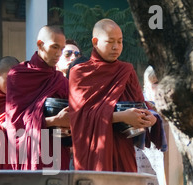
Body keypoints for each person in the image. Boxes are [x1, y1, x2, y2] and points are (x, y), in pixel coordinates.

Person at [68, 19, 158, 172]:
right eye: (110, 42)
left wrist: (151, 117)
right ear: (95, 42)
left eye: (120, 41)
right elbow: (80, 116)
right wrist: (121, 116)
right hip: (92, 152)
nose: (116, 47)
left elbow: (140, 104)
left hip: (123, 149)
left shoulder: (126, 71)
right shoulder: (80, 72)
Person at [5, 25, 71, 171]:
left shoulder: (61, 81)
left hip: (57, 154)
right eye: (54, 47)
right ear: (40, 44)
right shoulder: (18, 75)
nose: (59, 53)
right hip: (27, 154)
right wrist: (54, 121)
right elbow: (15, 122)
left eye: (62, 48)